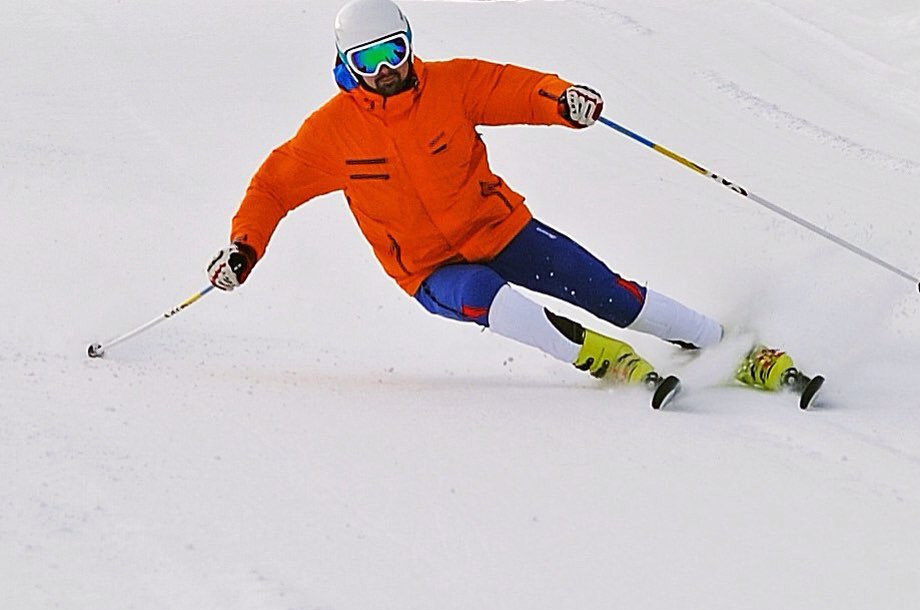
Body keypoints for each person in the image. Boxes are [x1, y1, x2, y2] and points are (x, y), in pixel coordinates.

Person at [208, 0, 724, 385]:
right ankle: (600, 356)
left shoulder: (449, 86)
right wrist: (244, 247)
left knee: (602, 289)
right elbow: (273, 187)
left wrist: (562, 101)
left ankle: (721, 342)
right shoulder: (332, 133)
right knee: (492, 300)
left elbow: (517, 89)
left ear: (410, 43)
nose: (386, 70)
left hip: (499, 231)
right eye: (370, 61)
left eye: (394, 51)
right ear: (348, 66)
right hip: (431, 269)